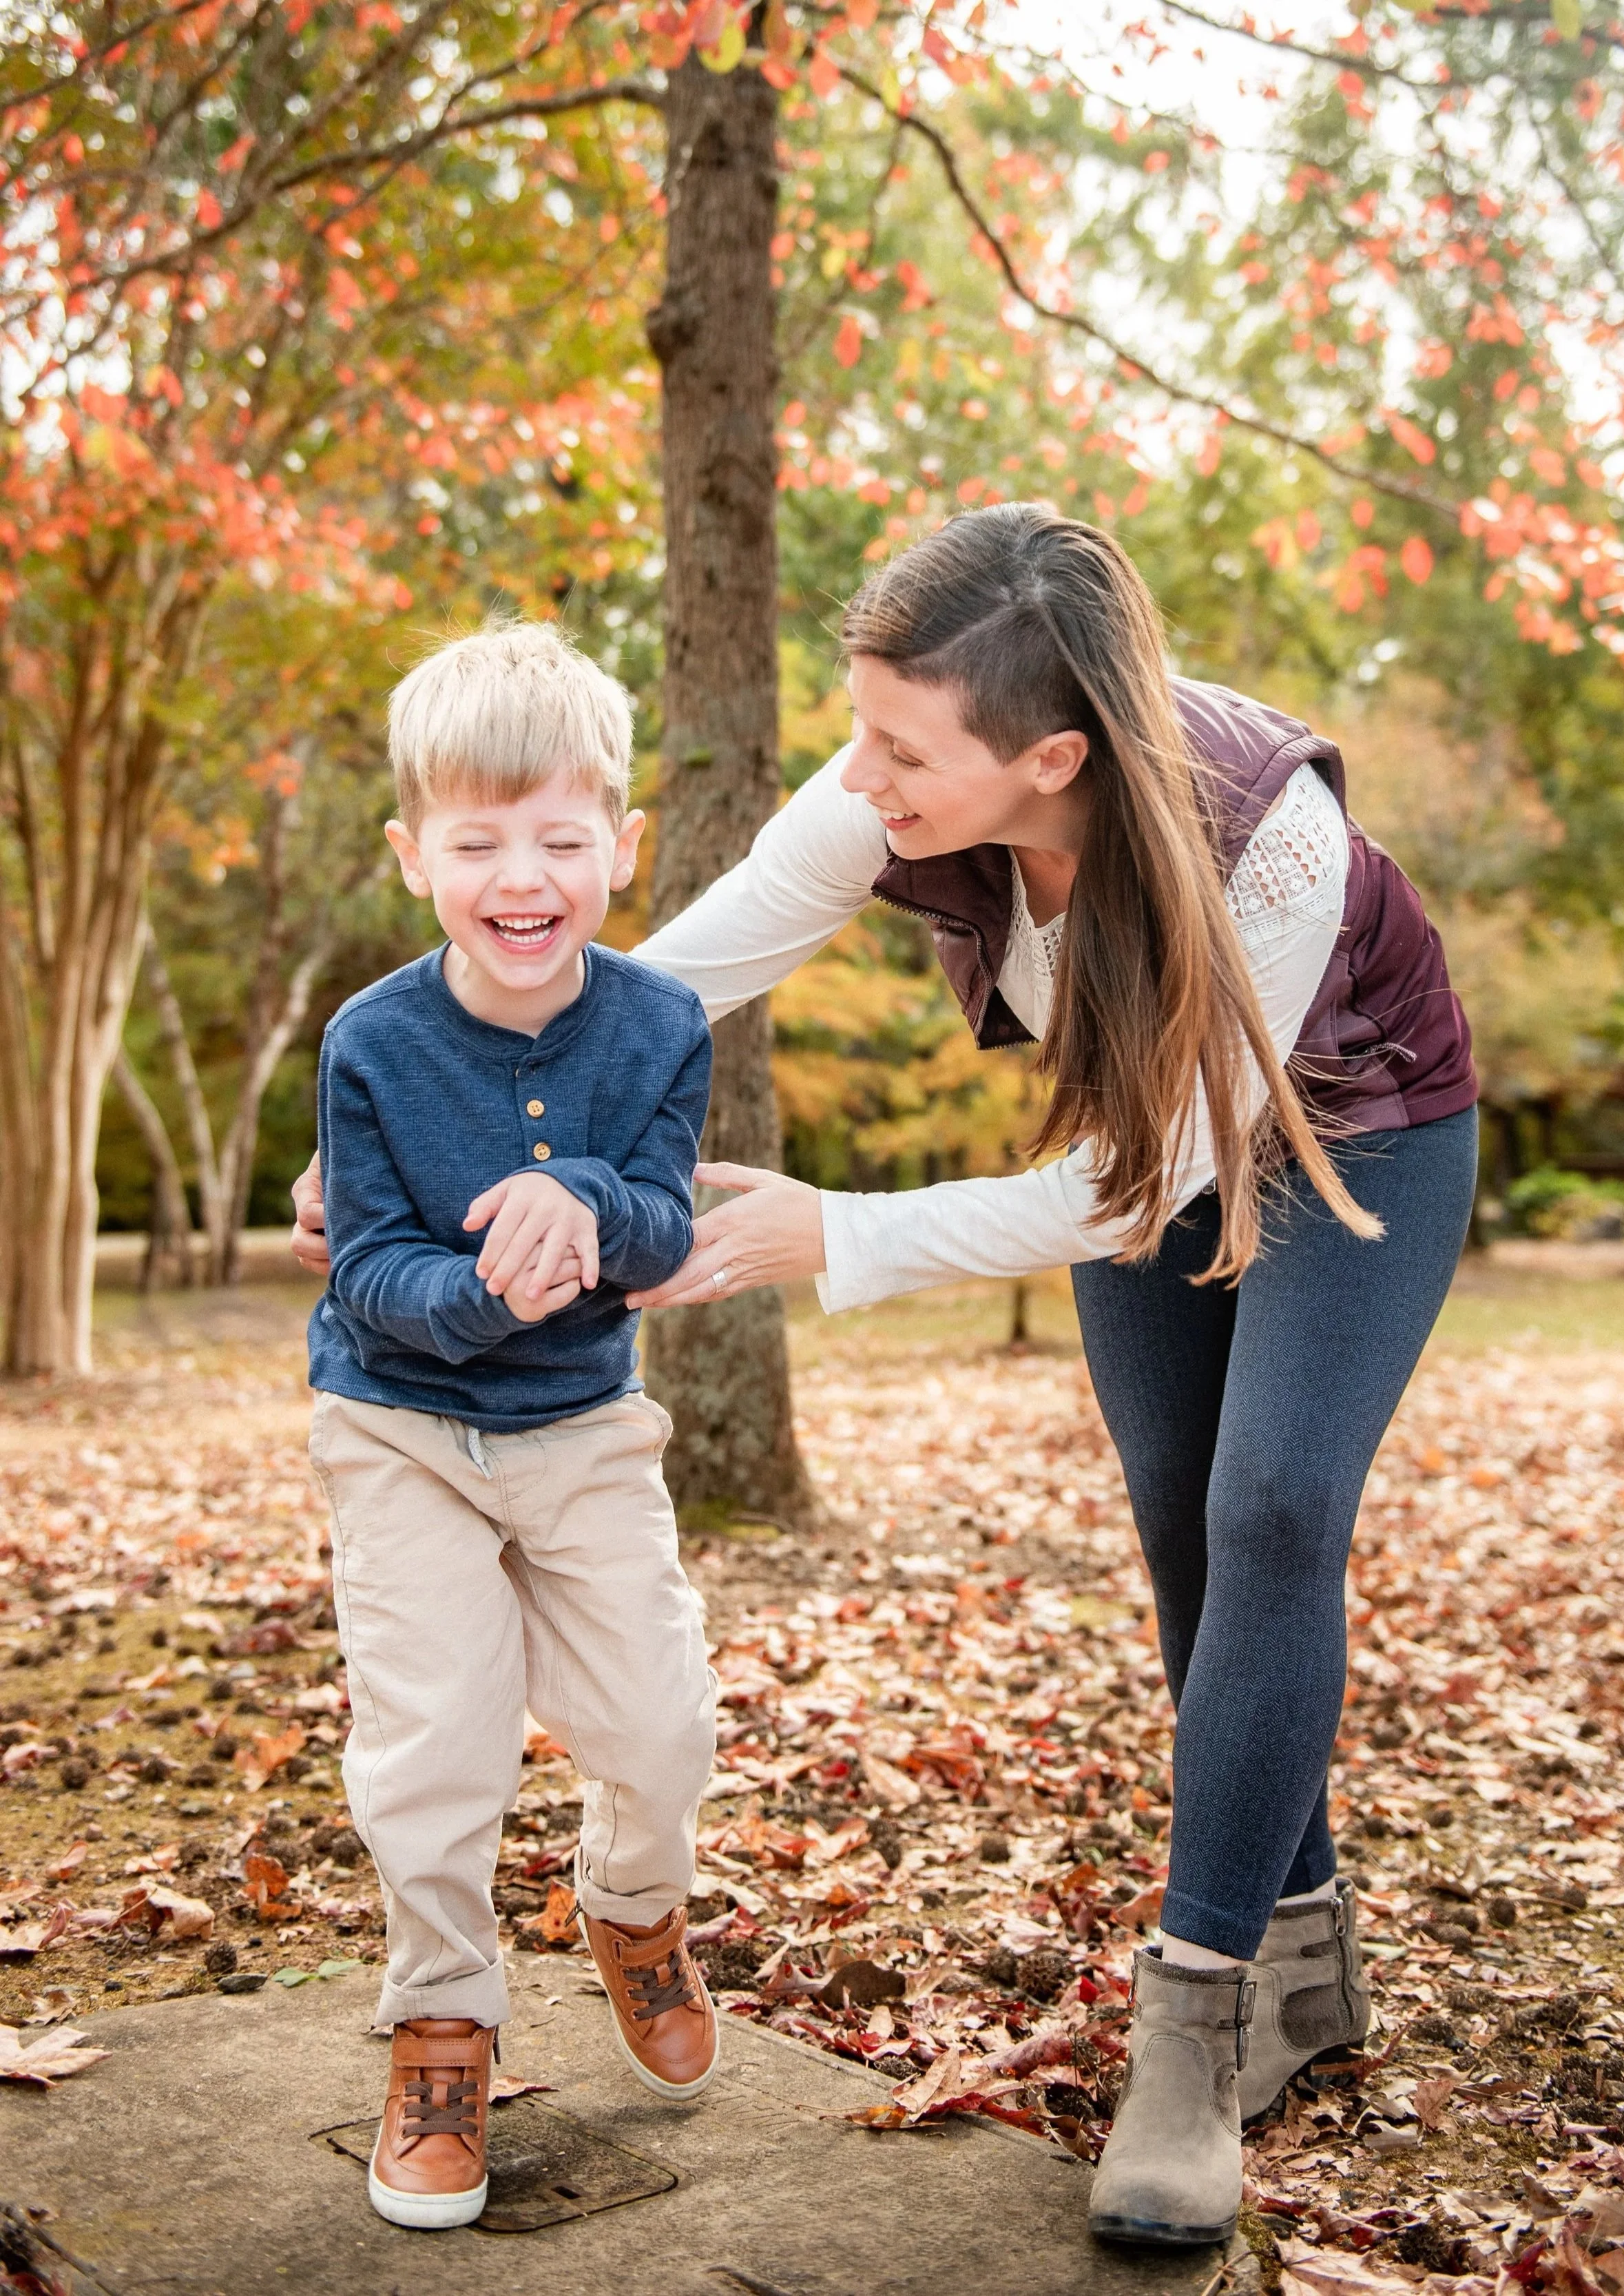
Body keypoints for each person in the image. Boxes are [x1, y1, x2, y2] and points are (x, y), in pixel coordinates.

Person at [293, 507, 1477, 2249]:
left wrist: (833, 1232)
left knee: (1274, 1507)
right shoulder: (895, 777)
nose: (862, 778)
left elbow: (1147, 1184)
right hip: (1142, 1132)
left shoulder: (1266, 842)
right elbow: (686, 968)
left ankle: (1196, 2014)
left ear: (1048, 756)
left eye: (897, 750)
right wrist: (426, 1110)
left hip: (1352, 1137)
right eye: (862, 728)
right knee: (1186, 1543)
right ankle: (1298, 1945)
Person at [306, 621, 720, 2232]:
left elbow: (666, 1216)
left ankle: (630, 1901)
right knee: (437, 1741)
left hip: (583, 1426)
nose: (522, 875)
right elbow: (366, 1262)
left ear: (619, 844)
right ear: (417, 855)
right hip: (400, 1425)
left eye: (560, 838)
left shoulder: (661, 1024)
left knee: (659, 1721)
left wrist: (581, 1204)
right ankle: (442, 2020)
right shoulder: (371, 1040)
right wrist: (491, 1284)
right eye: (479, 842)